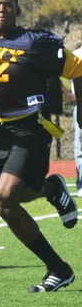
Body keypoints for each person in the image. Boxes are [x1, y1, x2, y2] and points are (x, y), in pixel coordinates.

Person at [0, 0, 82, 293]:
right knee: (4, 204)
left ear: (17, 11)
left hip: (30, 126)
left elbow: (77, 67)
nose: (2, 9)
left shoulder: (36, 43)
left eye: (8, 5)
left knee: (8, 193)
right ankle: (52, 191)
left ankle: (57, 268)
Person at [74, 44, 82, 196]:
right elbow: (54, 73)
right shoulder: (75, 55)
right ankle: (81, 183)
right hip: (79, 104)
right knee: (80, 145)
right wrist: (68, 93)